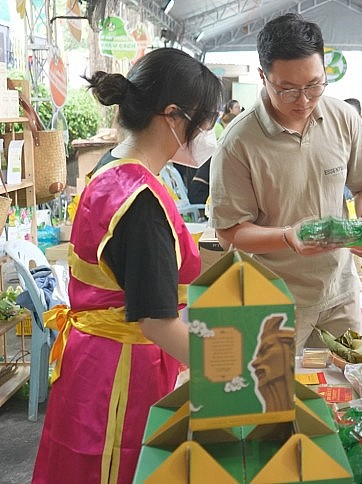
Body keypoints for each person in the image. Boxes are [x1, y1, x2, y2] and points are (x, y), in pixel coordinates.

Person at [32, 47, 222, 484]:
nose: (210, 133)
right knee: (115, 467)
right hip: (120, 374)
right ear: (173, 116)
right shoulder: (143, 203)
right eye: (207, 121)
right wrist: (230, 370)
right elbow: (155, 321)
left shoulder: (111, 168)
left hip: (90, 362)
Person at [208, 13, 362, 352]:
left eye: (314, 85)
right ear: (263, 77)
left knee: (343, 388)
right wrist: (288, 237)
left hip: (339, 292)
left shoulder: (343, 118)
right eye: (287, 90)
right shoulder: (238, 142)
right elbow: (229, 232)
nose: (303, 100)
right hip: (271, 298)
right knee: (275, 395)